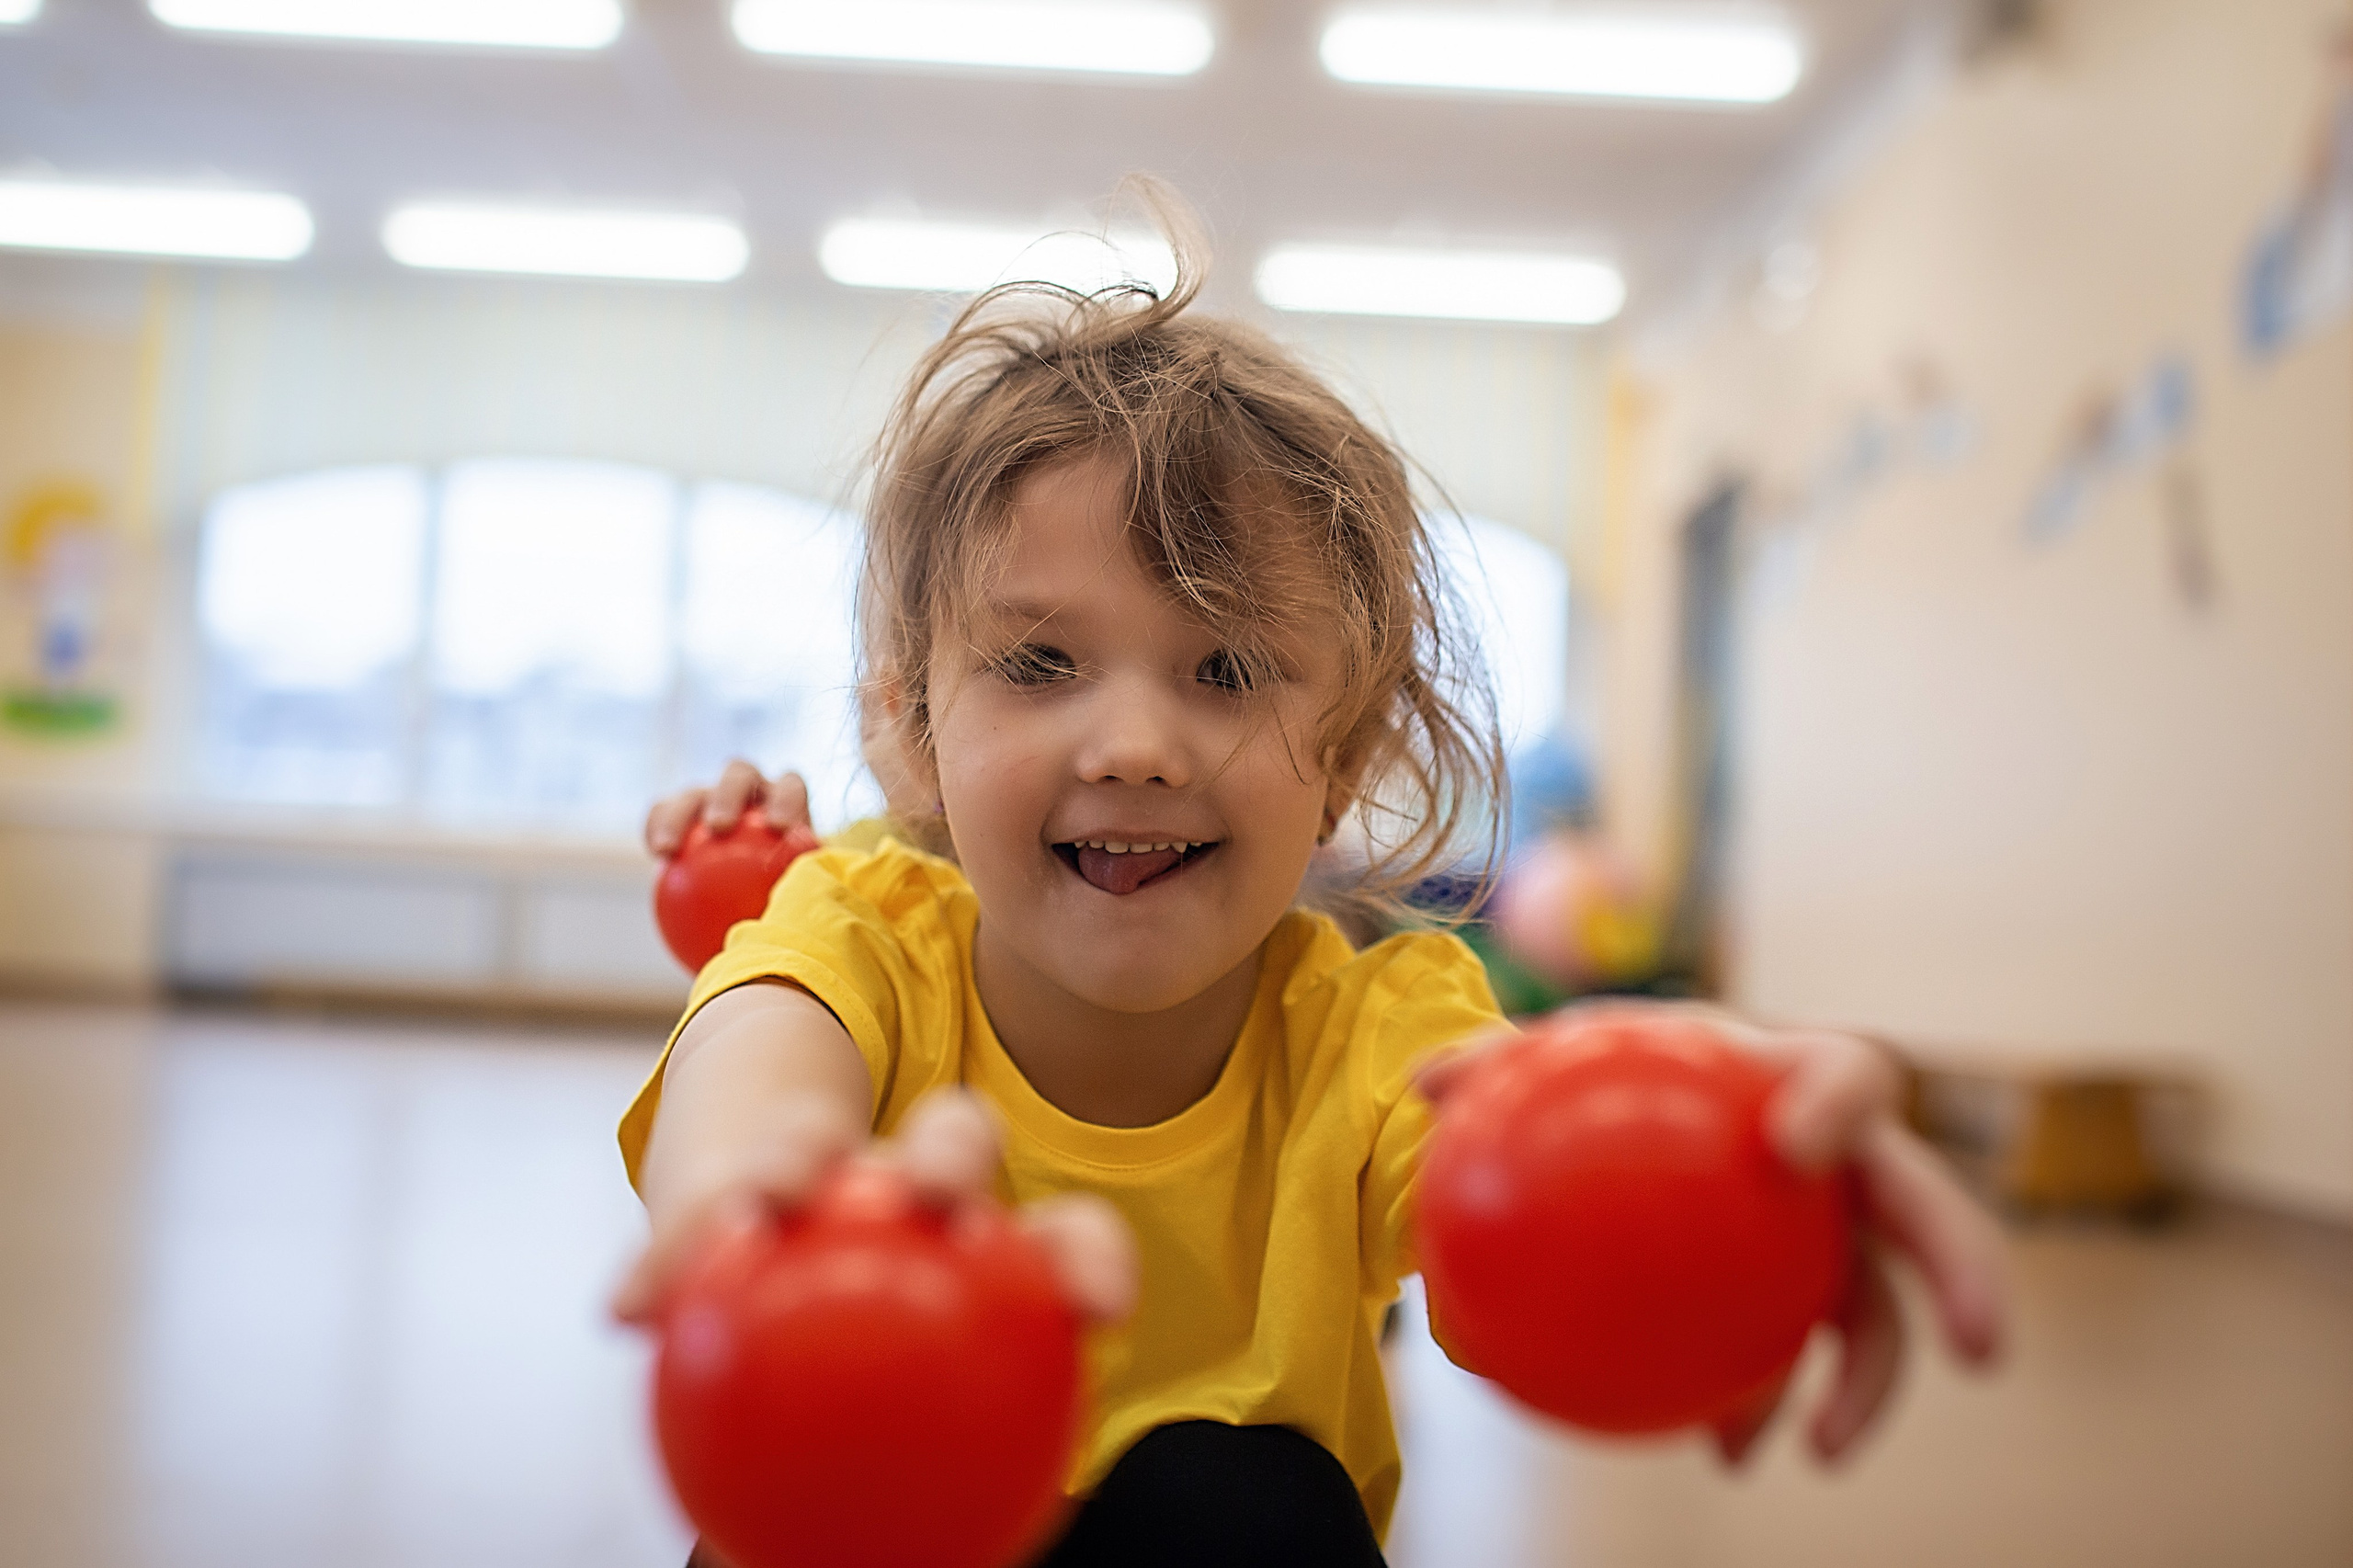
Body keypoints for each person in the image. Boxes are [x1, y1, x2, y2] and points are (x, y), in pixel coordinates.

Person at [613, 223, 2006, 1567]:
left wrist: (1720, 1152)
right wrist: (759, 1207)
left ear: (1342, 763)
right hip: (869, 1514)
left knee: (1245, 1502)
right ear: (910, 730)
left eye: (1226, 670)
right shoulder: (861, 926)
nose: (1135, 746)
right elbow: (758, 1062)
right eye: (1040, 664)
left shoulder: (1381, 1032)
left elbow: (1523, 1171)